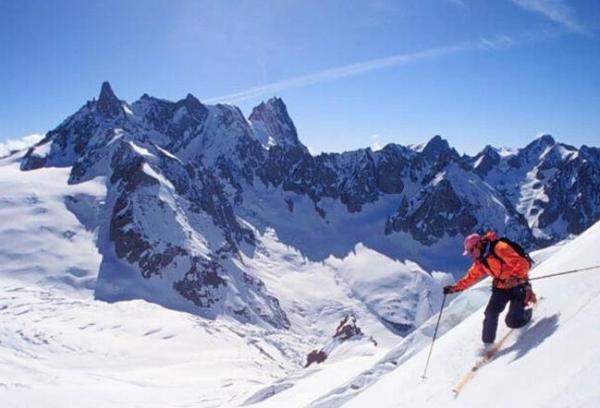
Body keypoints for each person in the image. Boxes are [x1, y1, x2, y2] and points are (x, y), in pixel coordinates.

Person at [443, 231, 537, 355]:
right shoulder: (481, 260)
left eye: (471, 251)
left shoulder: (500, 248)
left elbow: (522, 263)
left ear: (478, 245)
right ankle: (488, 345)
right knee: (490, 313)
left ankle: (526, 311)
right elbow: (471, 277)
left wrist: (514, 277)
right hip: (501, 287)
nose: (471, 255)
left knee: (512, 322)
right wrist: (454, 288)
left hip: (518, 285)